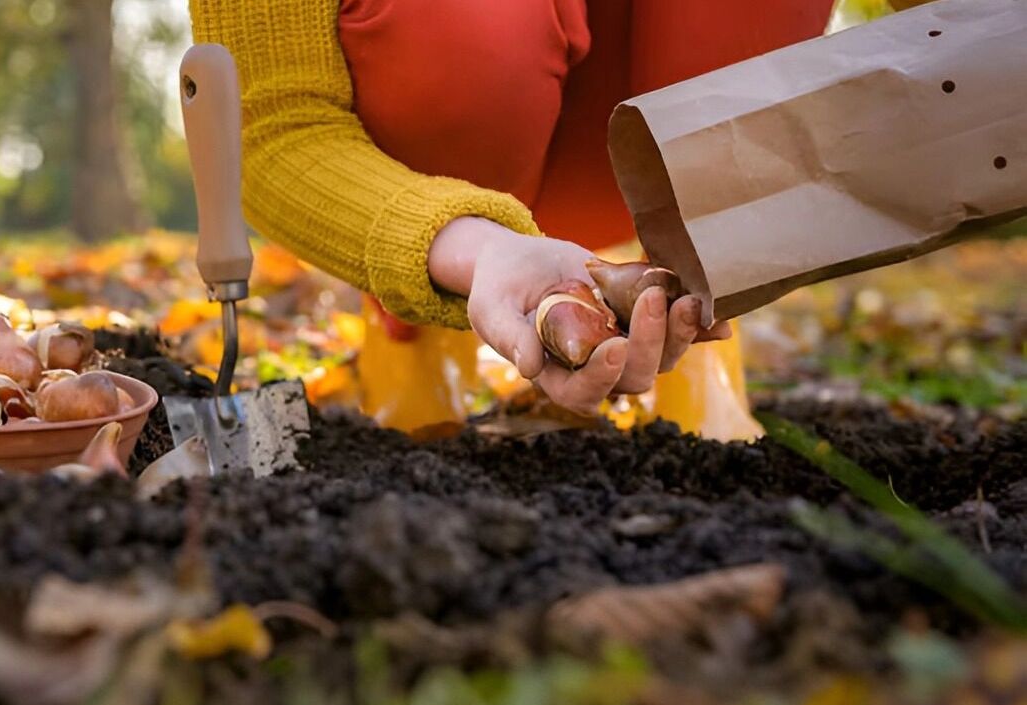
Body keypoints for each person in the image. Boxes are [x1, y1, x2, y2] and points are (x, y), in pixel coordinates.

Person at [187, 0, 832, 435]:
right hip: (438, 167)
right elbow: (278, 129)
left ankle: (698, 313)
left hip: (642, 146)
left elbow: (932, 29)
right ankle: (415, 342)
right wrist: (468, 247)